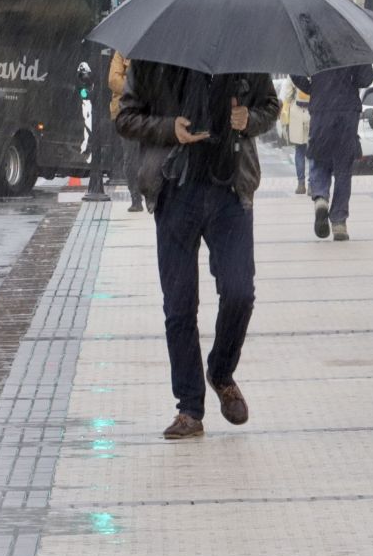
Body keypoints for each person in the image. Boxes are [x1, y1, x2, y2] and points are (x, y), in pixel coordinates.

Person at [116, 62, 281, 440]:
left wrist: (248, 119)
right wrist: (167, 127)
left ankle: (221, 372)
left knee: (240, 293)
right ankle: (189, 407)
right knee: (179, 306)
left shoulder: (243, 51)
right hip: (175, 190)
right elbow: (125, 117)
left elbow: (270, 107)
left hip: (230, 191)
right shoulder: (153, 59)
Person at [292, 64, 373, 242]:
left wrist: (314, 87)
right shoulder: (353, 45)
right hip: (347, 111)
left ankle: (321, 197)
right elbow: (365, 79)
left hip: (321, 108)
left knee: (320, 157)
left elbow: (295, 73)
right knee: (343, 169)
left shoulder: (313, 42)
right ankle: (339, 222)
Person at [108, 51, 144, 212]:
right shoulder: (122, 52)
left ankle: (152, 194)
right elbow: (113, 81)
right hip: (126, 112)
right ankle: (135, 197)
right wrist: (136, 86)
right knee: (131, 157)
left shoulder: (154, 51)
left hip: (148, 112)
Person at [282, 80, 312, 195]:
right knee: (312, 152)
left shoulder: (294, 73)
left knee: (299, 150)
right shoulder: (315, 69)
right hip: (312, 112)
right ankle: (311, 185)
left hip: (297, 114)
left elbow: (288, 95)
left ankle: (301, 184)